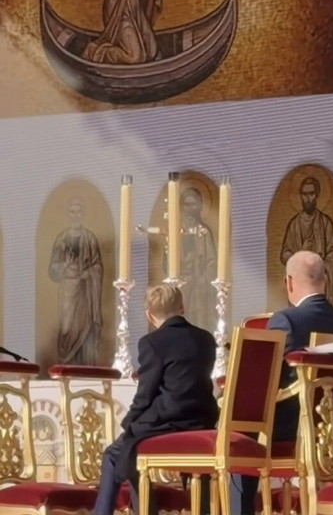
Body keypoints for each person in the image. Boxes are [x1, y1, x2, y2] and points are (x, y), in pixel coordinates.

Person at [238, 250, 333, 514]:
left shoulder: (286, 320)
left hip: (292, 427)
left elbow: (265, 378)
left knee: (238, 437)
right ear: (325, 280)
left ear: (289, 282)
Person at [94, 284, 218, 515]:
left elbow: (146, 393)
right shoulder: (206, 339)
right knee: (130, 446)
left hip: (168, 422)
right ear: (182, 307)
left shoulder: (152, 343)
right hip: (201, 422)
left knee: (117, 452)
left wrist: (129, 422)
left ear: (150, 316)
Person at [48, 198, 103, 365]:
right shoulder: (61, 239)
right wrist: (64, 266)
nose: (75, 215)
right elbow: (52, 270)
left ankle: (84, 366)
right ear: (68, 214)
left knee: (85, 328)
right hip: (67, 290)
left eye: (79, 212)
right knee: (66, 329)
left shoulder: (90, 239)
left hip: (85, 292)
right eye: (72, 212)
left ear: (83, 214)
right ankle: (65, 365)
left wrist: (89, 273)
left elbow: (97, 265)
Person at [281, 177, 333, 305]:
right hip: (300, 280)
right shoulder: (295, 224)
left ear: (317, 195)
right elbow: (285, 254)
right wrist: (301, 257)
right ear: (301, 196)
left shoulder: (325, 223)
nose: (308, 198)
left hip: (320, 279)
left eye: (311, 193)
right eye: (305, 194)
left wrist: (318, 264)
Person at [179, 187, 218, 331]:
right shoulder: (176, 232)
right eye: (186, 205)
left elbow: (212, 260)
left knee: (200, 319)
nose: (190, 209)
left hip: (200, 285)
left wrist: (204, 277)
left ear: (200, 206)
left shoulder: (204, 232)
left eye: (193, 204)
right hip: (182, 284)